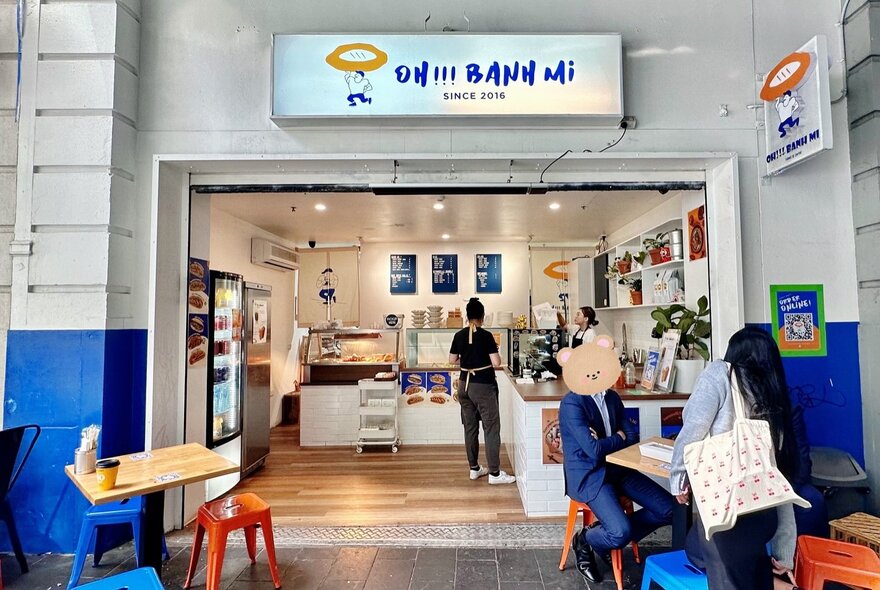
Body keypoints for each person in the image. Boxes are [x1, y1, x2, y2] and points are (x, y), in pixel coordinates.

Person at [670, 326, 803, 589]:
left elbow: (692, 430)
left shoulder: (719, 373)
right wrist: (785, 551)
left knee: (707, 559)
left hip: (725, 514)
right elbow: (780, 481)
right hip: (764, 518)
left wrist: (677, 478)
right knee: (750, 572)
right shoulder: (774, 399)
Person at [557, 335, 674, 584]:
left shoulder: (612, 397)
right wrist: (616, 437)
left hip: (618, 468)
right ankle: (586, 540)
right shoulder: (572, 403)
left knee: (670, 509)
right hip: (590, 476)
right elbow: (593, 451)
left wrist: (608, 440)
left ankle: (602, 535)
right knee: (620, 531)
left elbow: (632, 436)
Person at [449, 297, 516, 485]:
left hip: (463, 385)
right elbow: (496, 362)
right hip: (483, 386)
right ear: (482, 316)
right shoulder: (486, 336)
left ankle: (474, 468)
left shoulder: (459, 335)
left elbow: (452, 360)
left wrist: (467, 358)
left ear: (467, 315)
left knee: (470, 428)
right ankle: (494, 473)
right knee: (491, 428)